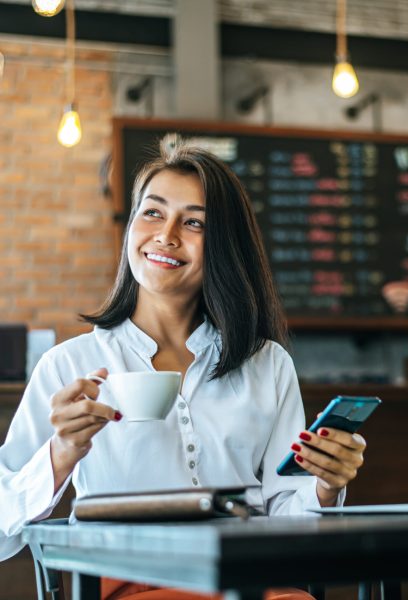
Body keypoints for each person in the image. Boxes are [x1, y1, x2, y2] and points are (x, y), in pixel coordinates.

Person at [0, 134, 367, 600]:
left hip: (251, 579)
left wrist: (325, 486)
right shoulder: (69, 366)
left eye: (194, 222)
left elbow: (286, 519)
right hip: (131, 582)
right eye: (152, 212)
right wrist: (62, 452)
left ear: (224, 246)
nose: (166, 235)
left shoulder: (267, 365)